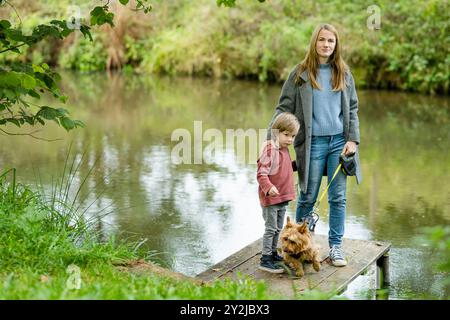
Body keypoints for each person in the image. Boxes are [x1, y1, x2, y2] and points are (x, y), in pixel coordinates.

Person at [266, 23, 362, 267]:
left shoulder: (343, 72)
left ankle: (336, 247)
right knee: (307, 196)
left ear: (336, 44)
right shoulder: (300, 73)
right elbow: (283, 107)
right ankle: (298, 248)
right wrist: (271, 138)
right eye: (322, 40)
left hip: (339, 142)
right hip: (312, 144)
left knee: (337, 197)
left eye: (331, 41)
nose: (326, 44)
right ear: (314, 42)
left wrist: (352, 139)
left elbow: (352, 108)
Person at [257, 112, 300, 273]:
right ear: (276, 132)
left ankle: (273, 253)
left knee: (278, 228)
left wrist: (298, 165)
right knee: (270, 228)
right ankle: (265, 259)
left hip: (282, 198)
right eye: (286, 135)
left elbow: (286, 167)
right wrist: (268, 187)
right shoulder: (270, 150)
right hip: (271, 199)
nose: (290, 139)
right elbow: (261, 173)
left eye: (293, 136)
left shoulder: (284, 149)